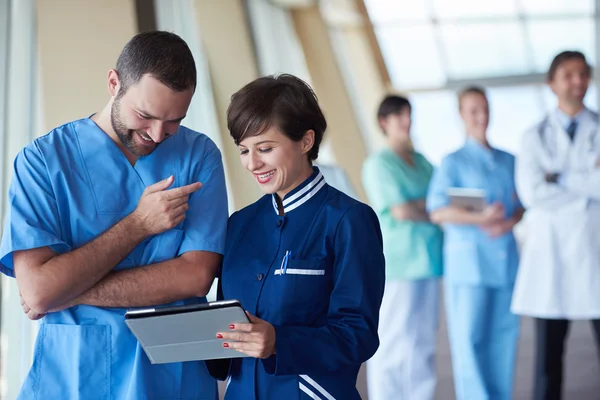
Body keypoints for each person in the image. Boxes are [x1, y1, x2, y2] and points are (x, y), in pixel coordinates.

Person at [0, 31, 228, 399]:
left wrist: (68, 292)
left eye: (174, 121)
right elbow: (39, 292)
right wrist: (138, 225)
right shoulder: (43, 162)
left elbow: (195, 277)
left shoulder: (199, 155)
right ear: (113, 83)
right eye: (145, 115)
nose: (156, 134)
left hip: (174, 371)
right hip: (78, 372)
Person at [206, 74, 385, 399]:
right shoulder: (238, 225)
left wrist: (279, 341)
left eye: (265, 148)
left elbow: (358, 334)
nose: (252, 163)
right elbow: (226, 322)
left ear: (305, 141)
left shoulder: (349, 221)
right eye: (244, 150)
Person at [512, 50, 600, 400]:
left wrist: (559, 177)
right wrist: (587, 184)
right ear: (552, 83)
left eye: (583, 74)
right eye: (569, 75)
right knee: (548, 359)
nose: (578, 82)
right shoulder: (534, 136)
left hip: (594, 249)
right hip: (552, 257)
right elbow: (532, 193)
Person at [426, 87, 524, 400]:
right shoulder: (452, 162)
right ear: (461, 115)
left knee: (503, 338)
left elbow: (524, 202)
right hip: (470, 265)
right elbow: (438, 210)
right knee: (469, 340)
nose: (481, 117)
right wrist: (481, 217)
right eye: (473, 111)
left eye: (484, 109)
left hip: (504, 260)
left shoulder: (509, 160)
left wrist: (509, 220)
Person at [362, 95, 443, 400]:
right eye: (398, 116)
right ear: (384, 123)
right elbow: (401, 211)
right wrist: (429, 208)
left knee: (423, 340)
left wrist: (421, 206)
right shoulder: (379, 164)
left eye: (408, 115)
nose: (406, 122)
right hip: (399, 264)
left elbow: (438, 201)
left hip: (430, 262)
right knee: (394, 339)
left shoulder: (421, 162)